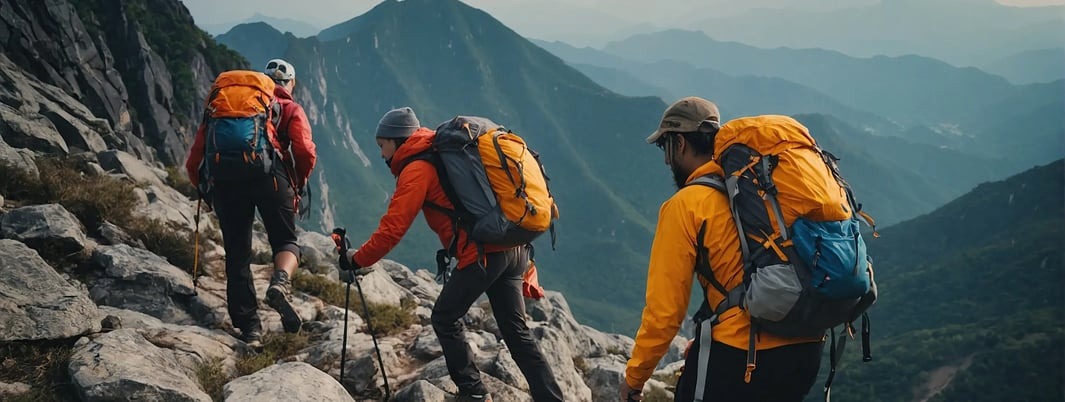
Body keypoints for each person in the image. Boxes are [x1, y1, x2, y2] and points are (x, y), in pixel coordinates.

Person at [338, 107, 563, 402]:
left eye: (382, 145)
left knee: (444, 318)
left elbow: (392, 229)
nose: (381, 154)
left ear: (397, 140)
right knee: (516, 331)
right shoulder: (441, 150)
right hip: (513, 249)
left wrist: (356, 260)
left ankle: (473, 392)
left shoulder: (417, 168)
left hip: (483, 255)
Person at [618, 97, 823, 402]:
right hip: (807, 349)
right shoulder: (761, 191)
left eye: (665, 148)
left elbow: (665, 315)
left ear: (680, 144)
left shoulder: (686, 205)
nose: (665, 160)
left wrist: (634, 380)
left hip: (745, 356)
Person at [185, 58, 317, 347]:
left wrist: (205, 189)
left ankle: (250, 330)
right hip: (272, 178)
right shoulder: (289, 107)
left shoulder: (225, 107)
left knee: (237, 254)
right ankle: (281, 281)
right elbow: (305, 151)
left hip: (226, 181)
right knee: (285, 241)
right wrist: (299, 179)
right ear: (291, 84)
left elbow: (195, 156)